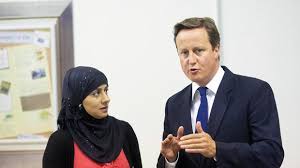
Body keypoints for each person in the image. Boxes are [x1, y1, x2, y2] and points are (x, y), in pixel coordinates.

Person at [157, 17, 284, 168]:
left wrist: (217, 150)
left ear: (216, 49)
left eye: (198, 51)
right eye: (184, 52)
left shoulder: (255, 91)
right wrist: (171, 159)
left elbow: (271, 154)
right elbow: (166, 160)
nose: (191, 60)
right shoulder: (174, 103)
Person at [43, 66, 142, 168]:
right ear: (78, 99)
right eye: (96, 93)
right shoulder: (61, 141)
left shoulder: (123, 130)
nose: (106, 99)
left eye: (106, 90)